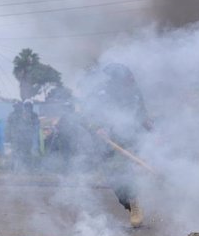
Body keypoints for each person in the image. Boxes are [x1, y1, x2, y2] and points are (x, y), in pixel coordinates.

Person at [53, 63, 152, 227]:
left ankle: (135, 203)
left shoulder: (133, 93)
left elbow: (142, 114)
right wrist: (97, 128)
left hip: (129, 137)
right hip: (107, 142)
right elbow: (86, 116)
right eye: (125, 80)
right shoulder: (101, 93)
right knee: (114, 179)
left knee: (125, 173)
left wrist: (150, 128)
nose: (129, 83)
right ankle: (130, 203)